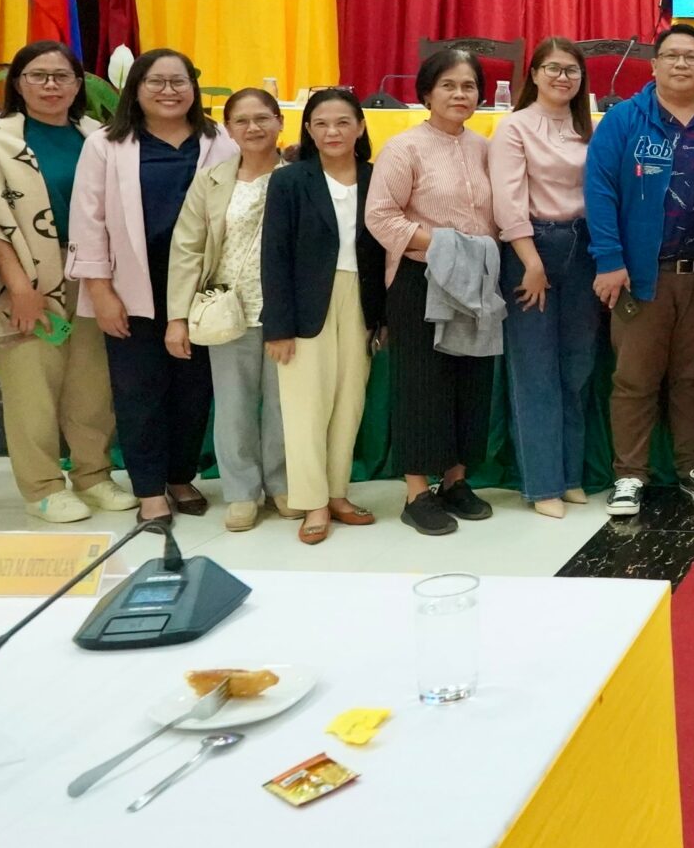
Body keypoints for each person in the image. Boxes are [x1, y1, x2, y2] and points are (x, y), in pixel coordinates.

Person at [585, 23, 694, 519]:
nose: (681, 64)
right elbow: (599, 190)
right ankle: (630, 474)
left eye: (691, 57)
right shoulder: (624, 120)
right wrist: (610, 260)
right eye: (671, 56)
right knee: (634, 378)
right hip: (641, 275)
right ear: (653, 66)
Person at [69, 48, 232, 523]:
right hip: (131, 286)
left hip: (200, 289)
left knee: (193, 390)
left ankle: (180, 477)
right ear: (135, 89)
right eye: (156, 82)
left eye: (179, 81)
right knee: (138, 392)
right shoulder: (105, 144)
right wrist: (100, 291)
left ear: (193, 88)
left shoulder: (219, 141)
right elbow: (87, 219)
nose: (168, 91)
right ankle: (149, 491)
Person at [0, 40, 126, 524]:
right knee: (31, 386)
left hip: (93, 271)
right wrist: (18, 287)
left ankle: (93, 474)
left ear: (79, 85)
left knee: (92, 384)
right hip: (27, 274)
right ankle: (41, 486)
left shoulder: (99, 136)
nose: (51, 85)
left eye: (62, 76)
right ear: (18, 83)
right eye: (38, 76)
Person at [366, 45, 502, 536]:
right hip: (420, 279)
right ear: (426, 93)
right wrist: (445, 244)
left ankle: (455, 481)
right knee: (422, 385)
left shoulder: (484, 148)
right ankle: (416, 493)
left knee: (471, 382)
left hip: (476, 282)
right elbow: (380, 216)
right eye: (448, 85)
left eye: (469, 86)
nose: (459, 94)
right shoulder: (404, 148)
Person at [264, 89, 385, 544]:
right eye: (321, 123)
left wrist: (384, 317)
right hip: (305, 303)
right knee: (306, 407)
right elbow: (273, 256)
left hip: (362, 301)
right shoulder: (290, 180)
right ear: (309, 130)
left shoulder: (376, 177)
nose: (332, 132)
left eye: (342, 122)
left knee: (349, 402)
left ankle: (337, 494)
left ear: (361, 127)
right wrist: (278, 326)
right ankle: (312, 502)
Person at [168, 88, 290, 532]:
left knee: (283, 406)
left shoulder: (298, 176)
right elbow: (187, 248)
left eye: (263, 118)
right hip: (228, 310)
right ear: (229, 128)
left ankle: (282, 484)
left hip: (285, 312)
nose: (253, 128)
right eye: (242, 120)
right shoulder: (212, 180)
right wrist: (177, 317)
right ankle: (241, 492)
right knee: (234, 406)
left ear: (280, 122)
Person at [489, 38, 600, 519]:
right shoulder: (514, 127)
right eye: (552, 68)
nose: (562, 77)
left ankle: (571, 475)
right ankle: (542, 483)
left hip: (584, 248)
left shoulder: (589, 127)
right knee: (534, 368)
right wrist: (530, 261)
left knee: (576, 367)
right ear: (533, 74)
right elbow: (508, 198)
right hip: (532, 250)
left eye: (571, 70)